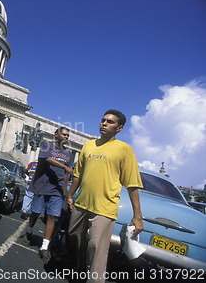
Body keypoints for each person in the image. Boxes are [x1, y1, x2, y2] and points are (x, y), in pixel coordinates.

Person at [66, 110, 143, 283]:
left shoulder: (124, 149)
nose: (104, 123)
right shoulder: (89, 145)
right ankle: (80, 269)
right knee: (73, 236)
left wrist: (137, 215)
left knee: (96, 247)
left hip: (105, 208)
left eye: (110, 122)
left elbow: (132, 184)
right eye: (103, 120)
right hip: (82, 203)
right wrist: (70, 195)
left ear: (120, 128)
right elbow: (78, 174)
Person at [23, 127, 73, 264]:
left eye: (68, 135)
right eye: (64, 134)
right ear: (56, 134)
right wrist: (64, 167)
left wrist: (64, 190)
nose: (66, 137)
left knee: (52, 216)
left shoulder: (69, 153)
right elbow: (46, 159)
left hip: (56, 189)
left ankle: (44, 246)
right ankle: (29, 231)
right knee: (35, 212)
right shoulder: (47, 145)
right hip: (42, 185)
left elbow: (66, 175)